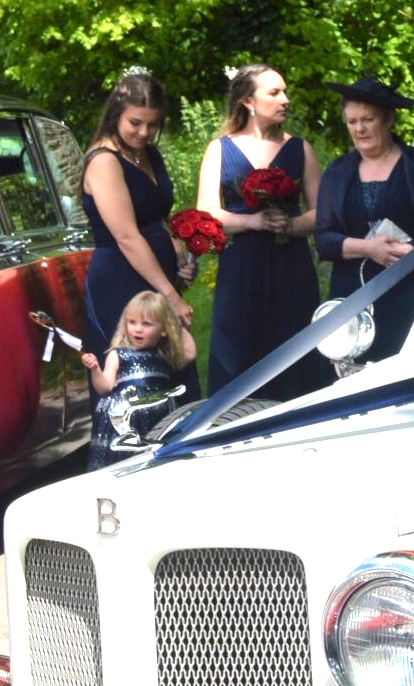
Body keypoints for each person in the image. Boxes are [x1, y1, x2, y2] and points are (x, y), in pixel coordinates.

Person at [198, 62, 325, 396]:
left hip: (290, 266)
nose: (285, 99)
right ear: (249, 102)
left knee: (294, 346)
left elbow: (322, 212)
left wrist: (293, 224)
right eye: (274, 92)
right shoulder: (219, 149)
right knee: (240, 347)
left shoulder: (301, 149)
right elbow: (206, 211)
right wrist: (251, 222)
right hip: (241, 267)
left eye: (285, 91)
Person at [316, 75, 414, 364]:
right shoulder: (337, 172)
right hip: (351, 302)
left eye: (367, 120)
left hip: (410, 295)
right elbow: (324, 240)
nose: (359, 128)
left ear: (388, 120)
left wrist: (413, 250)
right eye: (352, 121)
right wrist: (369, 249)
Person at [79, 69, 195, 369]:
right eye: (135, 123)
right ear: (116, 115)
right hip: (122, 277)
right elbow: (127, 237)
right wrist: (169, 295)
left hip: (157, 274)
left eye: (152, 124)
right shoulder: (104, 161)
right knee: (135, 375)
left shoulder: (149, 154)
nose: (144, 132)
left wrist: (179, 257)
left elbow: (159, 217)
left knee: (172, 368)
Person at [83, 290, 195, 468]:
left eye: (147, 324)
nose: (138, 328)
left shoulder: (163, 354)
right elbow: (105, 387)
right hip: (128, 422)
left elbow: (190, 354)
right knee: (124, 461)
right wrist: (95, 369)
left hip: (158, 416)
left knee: (154, 459)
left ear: (163, 329)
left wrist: (178, 324)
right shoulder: (118, 353)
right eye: (132, 322)